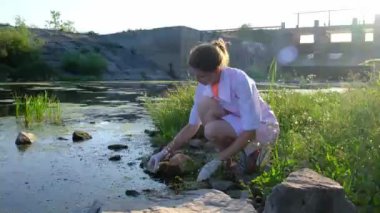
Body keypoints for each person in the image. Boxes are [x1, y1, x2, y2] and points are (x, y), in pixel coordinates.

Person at [147, 38, 279, 182]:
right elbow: (192, 125)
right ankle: (229, 160)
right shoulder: (204, 85)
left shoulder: (240, 80)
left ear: (216, 70)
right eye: (194, 75)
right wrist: (164, 152)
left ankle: (251, 153)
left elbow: (250, 130)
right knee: (204, 106)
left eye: (201, 75)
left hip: (262, 127)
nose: (198, 80)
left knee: (211, 129)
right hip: (238, 122)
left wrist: (216, 161)